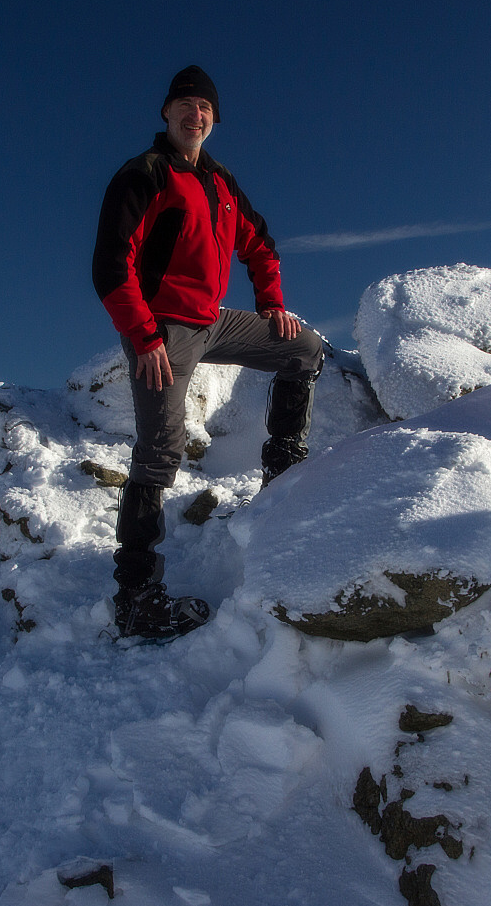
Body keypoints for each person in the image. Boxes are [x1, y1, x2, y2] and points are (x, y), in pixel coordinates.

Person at [92, 65, 324, 641]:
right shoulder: (144, 175)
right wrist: (144, 337)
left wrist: (271, 302)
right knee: (159, 452)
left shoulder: (220, 183)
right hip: (163, 329)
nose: (196, 115)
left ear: (214, 120)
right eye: (186, 105)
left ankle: (283, 466)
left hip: (213, 321)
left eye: (206, 109)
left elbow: (260, 243)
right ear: (166, 114)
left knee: (304, 350)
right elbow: (110, 265)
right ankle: (136, 598)